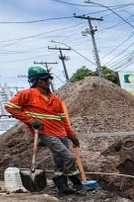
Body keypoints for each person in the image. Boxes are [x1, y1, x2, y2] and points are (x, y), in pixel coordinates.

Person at [5, 66, 84, 195]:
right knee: (69, 157)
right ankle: (77, 184)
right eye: (44, 79)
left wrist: (71, 135)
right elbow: (10, 107)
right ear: (36, 81)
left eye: (48, 79)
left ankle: (62, 186)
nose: (47, 81)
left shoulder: (55, 99)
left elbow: (64, 120)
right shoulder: (27, 94)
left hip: (61, 133)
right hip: (45, 133)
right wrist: (30, 120)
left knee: (59, 161)